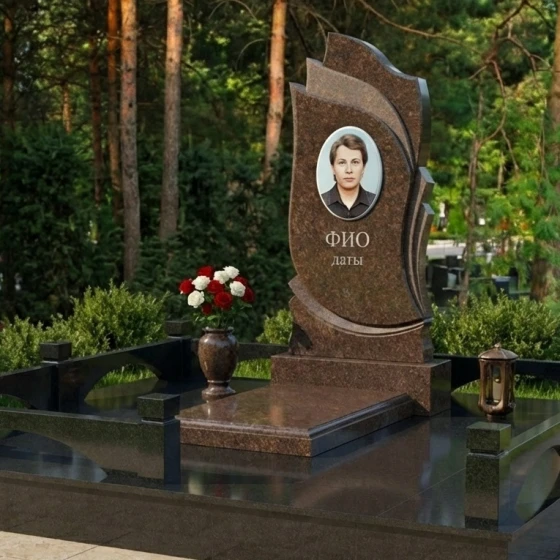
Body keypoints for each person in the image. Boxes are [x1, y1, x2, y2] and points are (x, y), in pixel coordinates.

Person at [321, 133, 376, 219]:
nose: (349, 170)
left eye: (355, 162)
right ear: (333, 168)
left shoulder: (376, 202)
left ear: (363, 167)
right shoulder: (320, 201)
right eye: (342, 163)